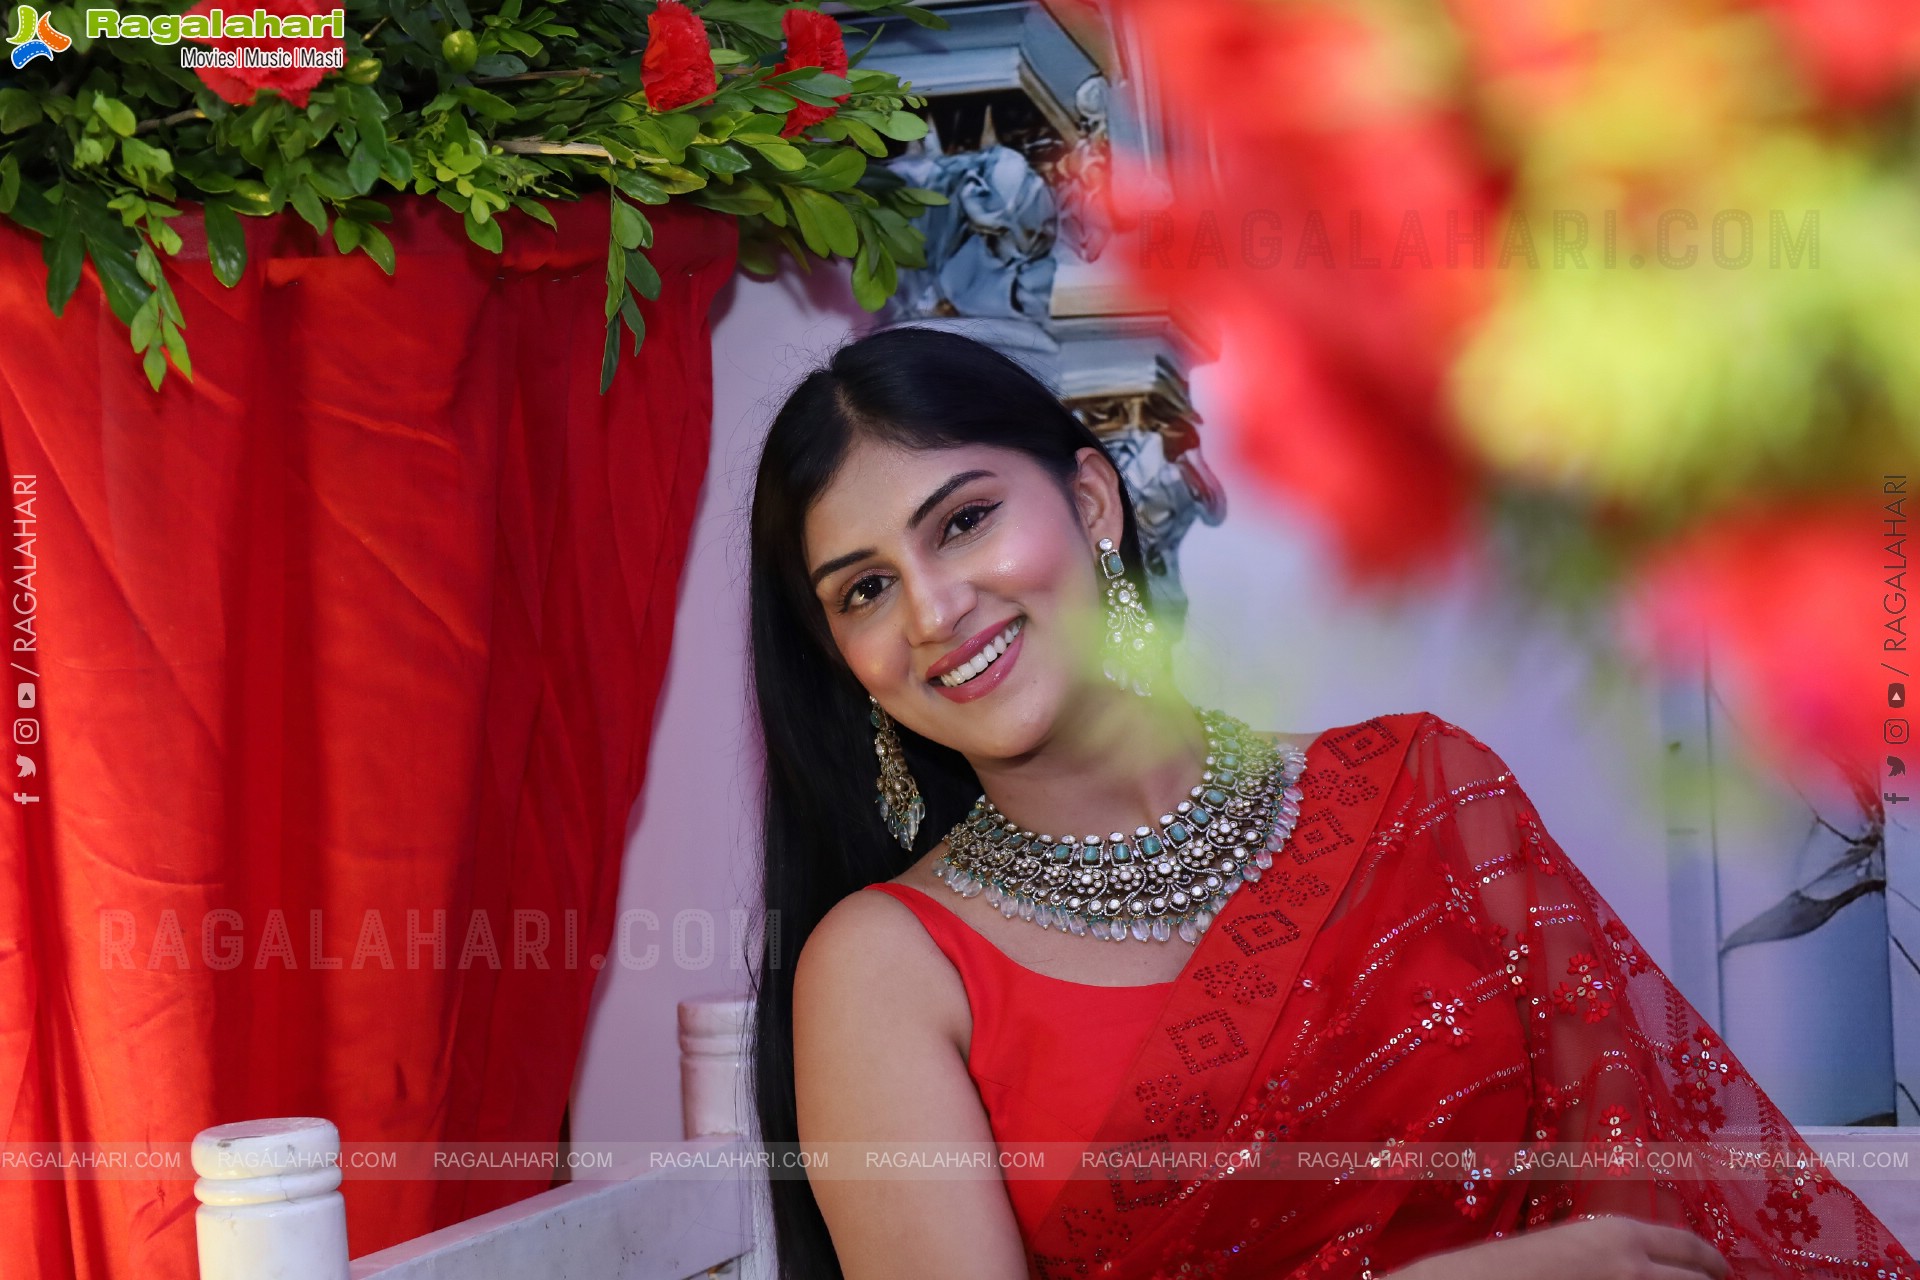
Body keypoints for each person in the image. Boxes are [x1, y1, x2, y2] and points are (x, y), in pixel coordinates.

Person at [744, 325, 1916, 1280]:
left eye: (964, 520)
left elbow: (1648, 1189)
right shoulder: (883, 967)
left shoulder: (1419, 793)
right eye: (865, 590)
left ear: (1092, 503)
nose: (934, 611)